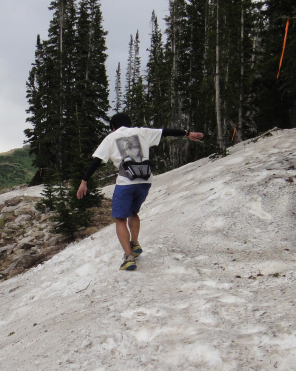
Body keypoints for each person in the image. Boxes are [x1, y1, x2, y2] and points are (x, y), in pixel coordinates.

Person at [77, 112, 203, 270]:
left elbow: (96, 161)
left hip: (125, 181)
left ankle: (129, 257)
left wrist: (84, 181)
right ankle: (134, 243)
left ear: (113, 127)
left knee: (120, 218)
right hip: (145, 180)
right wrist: (187, 133)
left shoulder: (111, 137)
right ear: (129, 123)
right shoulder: (142, 131)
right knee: (133, 212)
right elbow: (165, 132)